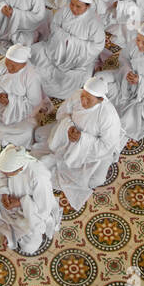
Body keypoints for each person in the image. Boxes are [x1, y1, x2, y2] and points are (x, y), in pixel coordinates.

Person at [32, 77, 122, 209]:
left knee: (95, 180)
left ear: (100, 99)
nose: (83, 101)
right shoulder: (77, 95)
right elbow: (62, 114)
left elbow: (106, 146)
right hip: (67, 137)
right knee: (39, 135)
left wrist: (82, 138)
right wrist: (69, 128)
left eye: (89, 100)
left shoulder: (108, 116)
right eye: (83, 96)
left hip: (90, 151)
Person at [0, 144, 61, 255]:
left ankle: (11, 229)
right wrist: (5, 193)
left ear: (19, 169)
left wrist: (20, 202)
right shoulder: (8, 158)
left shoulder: (39, 176)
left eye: (7, 173)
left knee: (29, 246)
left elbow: (43, 208)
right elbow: (1, 177)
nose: (4, 174)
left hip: (28, 212)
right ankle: (10, 227)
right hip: (5, 201)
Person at [30, 0, 103, 101]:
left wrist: (73, 43)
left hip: (76, 60)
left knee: (67, 82)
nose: (73, 8)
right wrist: (63, 38)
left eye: (78, 6)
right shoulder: (65, 10)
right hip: (55, 49)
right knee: (34, 52)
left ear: (87, 6)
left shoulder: (94, 23)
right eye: (72, 4)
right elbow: (54, 25)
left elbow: (97, 46)